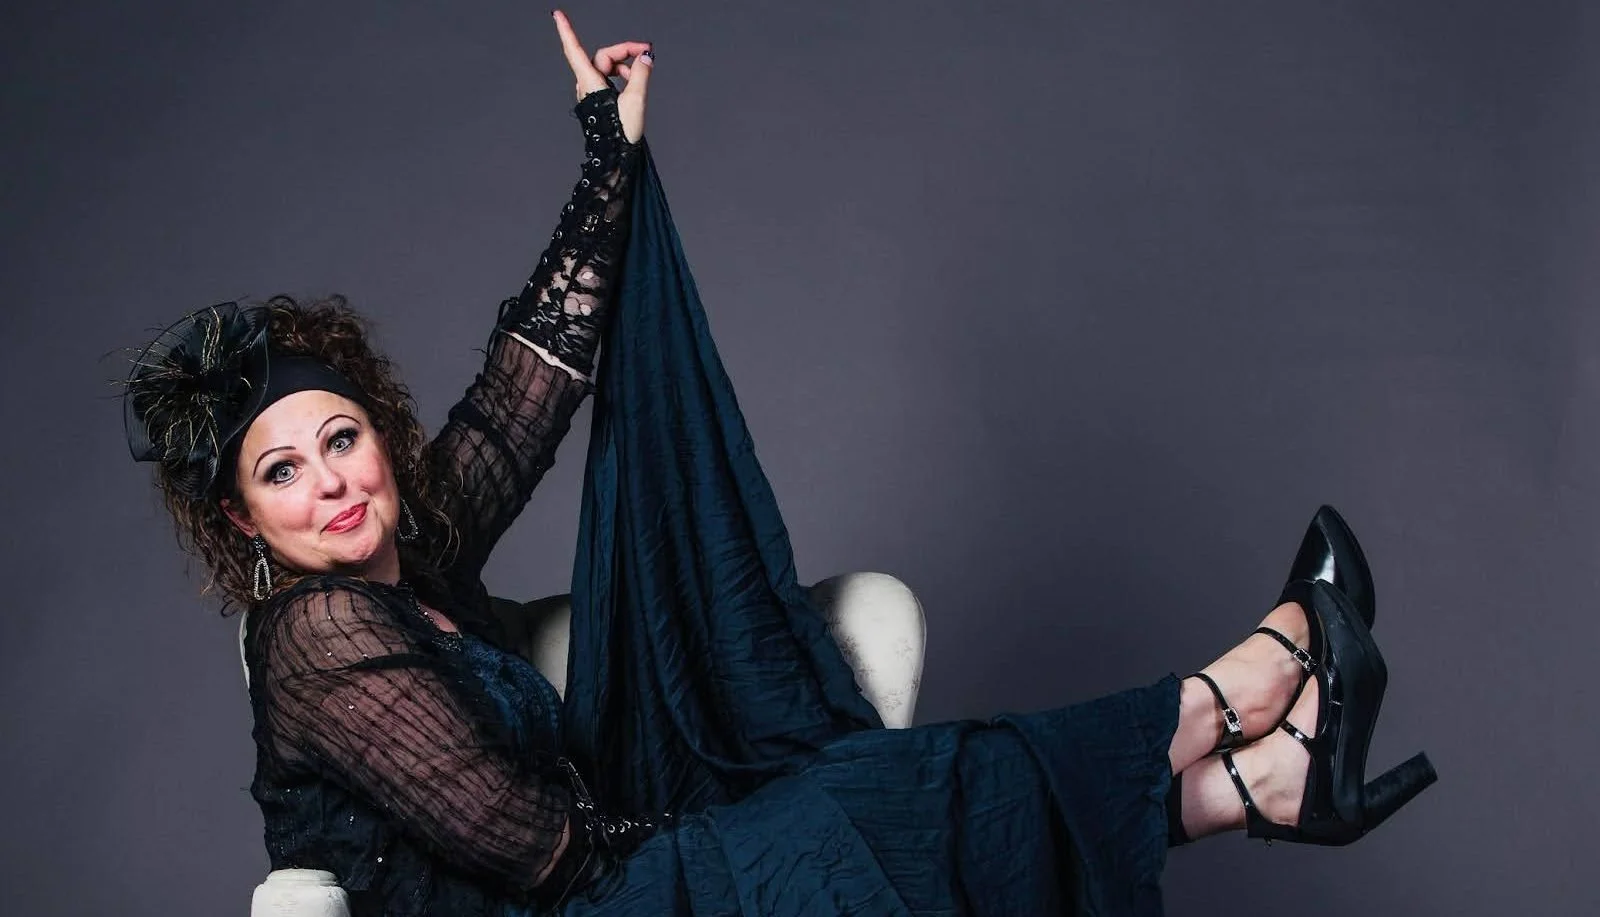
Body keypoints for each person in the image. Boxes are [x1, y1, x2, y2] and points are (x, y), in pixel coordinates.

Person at [120, 11, 1435, 917]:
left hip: (600, 875)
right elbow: (522, 847)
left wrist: (606, 149)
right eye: (283, 472)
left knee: (864, 790)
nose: (332, 480)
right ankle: (1248, 698)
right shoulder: (317, 637)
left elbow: (532, 381)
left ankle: (1251, 780)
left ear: (377, 443)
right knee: (844, 808)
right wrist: (725, 827)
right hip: (566, 901)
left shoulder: (417, 546)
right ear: (243, 518)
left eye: (340, 438)